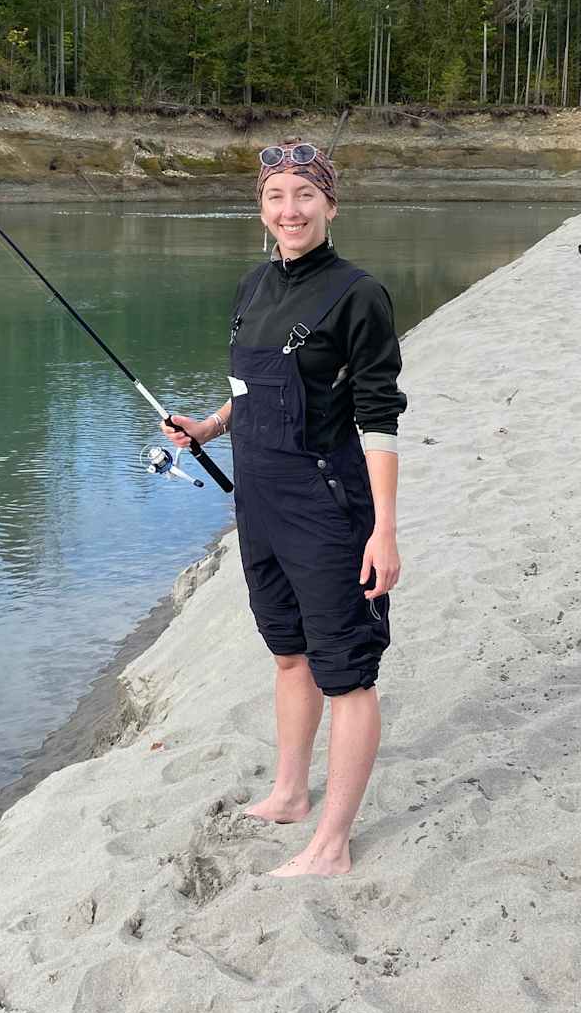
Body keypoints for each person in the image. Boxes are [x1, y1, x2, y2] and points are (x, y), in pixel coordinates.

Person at [162, 139, 405, 878]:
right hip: (259, 506)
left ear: (331, 204)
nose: (289, 209)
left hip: (330, 510)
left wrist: (385, 530)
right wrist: (206, 428)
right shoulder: (250, 288)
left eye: (305, 193)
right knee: (288, 651)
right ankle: (292, 792)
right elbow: (248, 393)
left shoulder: (359, 293)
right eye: (276, 195)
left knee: (348, 674)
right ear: (261, 208)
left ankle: (331, 844)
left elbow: (380, 419)